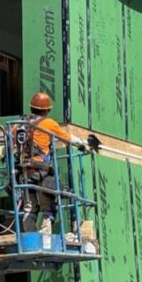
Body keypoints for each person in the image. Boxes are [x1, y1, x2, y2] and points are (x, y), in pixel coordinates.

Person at [15, 92, 88, 234]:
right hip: (41, 173)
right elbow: (68, 138)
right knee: (48, 207)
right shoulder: (48, 124)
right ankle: (45, 238)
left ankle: (31, 240)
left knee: (29, 209)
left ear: (31, 108)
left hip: (24, 173)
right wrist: (83, 145)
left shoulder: (18, 127)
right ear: (47, 110)